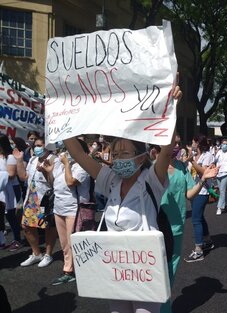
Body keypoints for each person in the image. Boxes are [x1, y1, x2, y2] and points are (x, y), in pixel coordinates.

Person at [63, 85, 182, 313]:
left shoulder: (151, 181)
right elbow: (78, 155)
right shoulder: (110, 180)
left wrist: (172, 108)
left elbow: (166, 151)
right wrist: (62, 120)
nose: (118, 160)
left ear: (141, 157)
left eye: (125, 154)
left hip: (145, 273)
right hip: (115, 271)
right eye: (115, 155)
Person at [160, 144, 218, 313]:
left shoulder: (181, 167)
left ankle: (163, 308)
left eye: (178, 142)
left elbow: (189, 194)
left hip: (177, 227)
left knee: (170, 272)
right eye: (173, 141)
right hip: (155, 227)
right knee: (157, 273)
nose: (177, 145)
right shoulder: (153, 167)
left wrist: (203, 179)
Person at [42, 141, 91, 285]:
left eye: (70, 150)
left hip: (74, 209)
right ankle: (69, 269)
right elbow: (53, 183)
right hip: (59, 208)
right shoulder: (61, 165)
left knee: (73, 243)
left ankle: (74, 271)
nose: (66, 152)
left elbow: (70, 182)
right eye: (66, 149)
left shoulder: (82, 167)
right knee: (64, 243)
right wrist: (48, 172)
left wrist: (67, 164)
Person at [15, 137, 58, 267]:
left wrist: (45, 171)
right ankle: (36, 253)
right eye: (36, 145)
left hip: (46, 198)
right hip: (31, 197)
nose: (37, 148)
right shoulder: (33, 159)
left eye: (40, 145)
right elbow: (23, 177)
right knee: (26, 226)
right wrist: (19, 160)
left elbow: (54, 182)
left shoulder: (54, 160)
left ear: (48, 147)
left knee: (48, 227)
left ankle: (48, 254)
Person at [184, 135, 216, 263]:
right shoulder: (194, 155)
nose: (192, 144)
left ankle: (198, 250)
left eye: (193, 141)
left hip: (202, 191)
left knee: (196, 219)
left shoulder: (207, 155)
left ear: (198, 143)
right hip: (193, 189)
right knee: (200, 217)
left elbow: (205, 172)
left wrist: (192, 161)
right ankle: (207, 240)